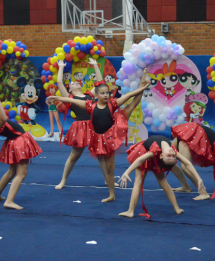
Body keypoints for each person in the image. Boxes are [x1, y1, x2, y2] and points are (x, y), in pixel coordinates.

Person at [47, 69, 150, 202]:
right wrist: (58, 97)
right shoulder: (81, 102)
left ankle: (110, 186)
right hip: (86, 129)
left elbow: (122, 93)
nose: (106, 95)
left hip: (101, 131)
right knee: (74, 156)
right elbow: (67, 95)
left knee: (105, 162)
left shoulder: (97, 98)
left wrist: (142, 87)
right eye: (103, 93)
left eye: (107, 93)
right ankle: (63, 180)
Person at [55, 58, 113, 190]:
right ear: (69, 90)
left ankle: (107, 180)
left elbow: (100, 84)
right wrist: (61, 67)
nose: (75, 82)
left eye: (76, 82)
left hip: (94, 125)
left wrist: (95, 66)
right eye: (73, 83)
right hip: (80, 127)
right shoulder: (69, 98)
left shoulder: (89, 95)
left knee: (101, 156)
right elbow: (59, 82)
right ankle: (63, 180)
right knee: (74, 156)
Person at [118, 135, 205, 218]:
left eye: (170, 156)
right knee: (140, 181)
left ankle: (176, 208)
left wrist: (127, 173)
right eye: (172, 156)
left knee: (157, 182)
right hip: (145, 151)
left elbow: (140, 160)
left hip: (147, 153)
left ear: (162, 156)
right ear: (161, 155)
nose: (172, 154)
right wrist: (199, 178)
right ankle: (131, 211)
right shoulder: (170, 151)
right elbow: (187, 163)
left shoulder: (156, 151)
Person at [171, 123, 215, 199]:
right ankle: (187, 187)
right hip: (191, 132)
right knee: (171, 160)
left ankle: (202, 192)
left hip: (189, 134)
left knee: (179, 164)